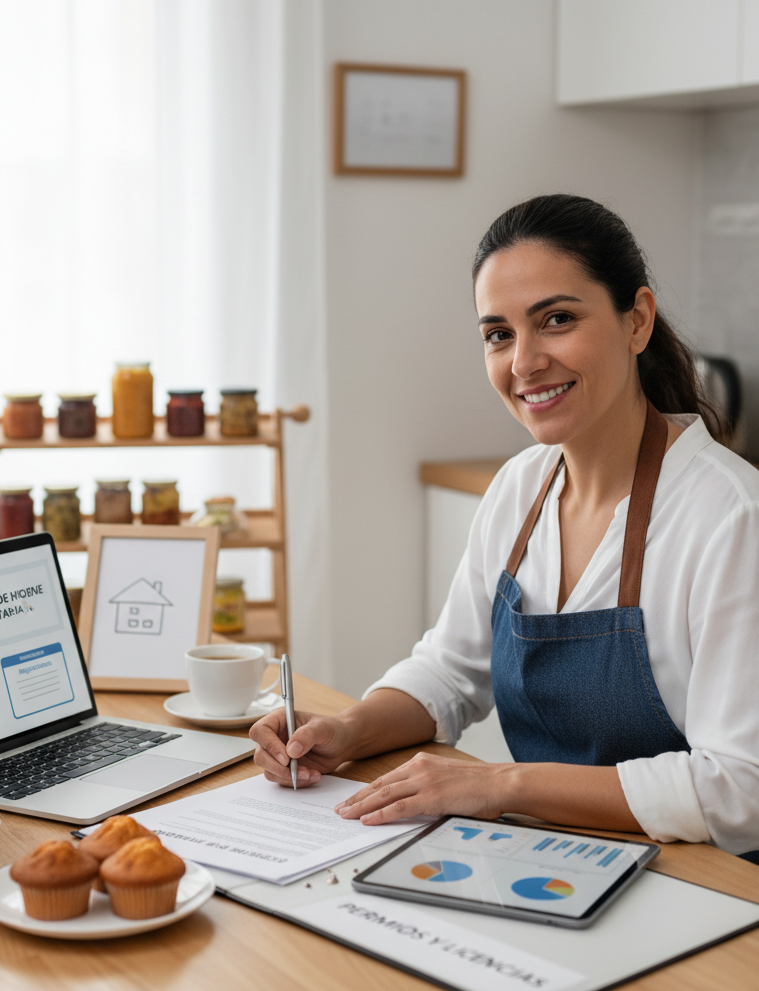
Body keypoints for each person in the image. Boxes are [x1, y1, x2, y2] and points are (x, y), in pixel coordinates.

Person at [250, 193, 759, 859]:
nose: (524, 362)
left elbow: (740, 789)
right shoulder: (521, 486)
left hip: (702, 883)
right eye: (499, 334)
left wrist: (500, 784)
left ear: (637, 321)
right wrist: (348, 730)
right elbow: (450, 670)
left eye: (557, 319)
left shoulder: (731, 517)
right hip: (552, 857)